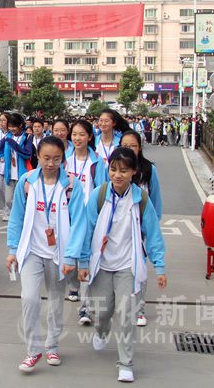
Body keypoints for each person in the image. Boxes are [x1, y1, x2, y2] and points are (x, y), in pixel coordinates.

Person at [64, 147, 167, 383]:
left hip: (127, 267)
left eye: (124, 170)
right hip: (101, 265)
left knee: (126, 313)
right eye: (113, 169)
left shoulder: (141, 199)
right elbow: (86, 230)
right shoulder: (99, 195)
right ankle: (102, 330)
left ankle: (126, 363)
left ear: (133, 172)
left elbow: (152, 235)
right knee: (102, 312)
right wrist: (82, 262)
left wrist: (159, 267)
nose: (117, 175)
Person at [6, 137, 85, 373]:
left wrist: (71, 257)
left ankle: (52, 345)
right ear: (37, 157)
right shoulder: (27, 181)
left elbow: (79, 222)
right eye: (46, 158)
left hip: (59, 254)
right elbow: (17, 217)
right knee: (29, 298)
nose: (51, 163)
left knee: (55, 302)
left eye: (57, 159)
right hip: (32, 252)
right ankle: (33, 350)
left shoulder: (71, 185)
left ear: (63, 159)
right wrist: (13, 250)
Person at [64, 120, 107, 325]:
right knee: (69, 257)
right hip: (68, 216)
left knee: (87, 260)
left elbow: (102, 189)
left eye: (82, 134)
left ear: (90, 136)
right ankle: (74, 286)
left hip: (90, 218)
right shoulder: (65, 160)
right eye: (74, 134)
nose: (77, 138)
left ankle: (86, 309)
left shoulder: (97, 162)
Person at [119, 131, 163, 327]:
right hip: (119, 226)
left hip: (141, 227)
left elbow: (155, 200)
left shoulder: (148, 169)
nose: (129, 150)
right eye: (125, 146)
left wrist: (152, 224)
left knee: (140, 267)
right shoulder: (113, 168)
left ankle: (139, 308)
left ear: (140, 148)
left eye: (133, 146)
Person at [0, 113, 34, 222]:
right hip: (9, 174)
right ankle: (17, 215)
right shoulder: (8, 137)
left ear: (20, 125)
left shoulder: (27, 137)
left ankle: (22, 219)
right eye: (10, 126)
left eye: (14, 126)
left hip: (23, 175)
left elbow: (27, 154)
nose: (11, 129)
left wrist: (13, 144)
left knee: (22, 200)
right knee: (9, 200)